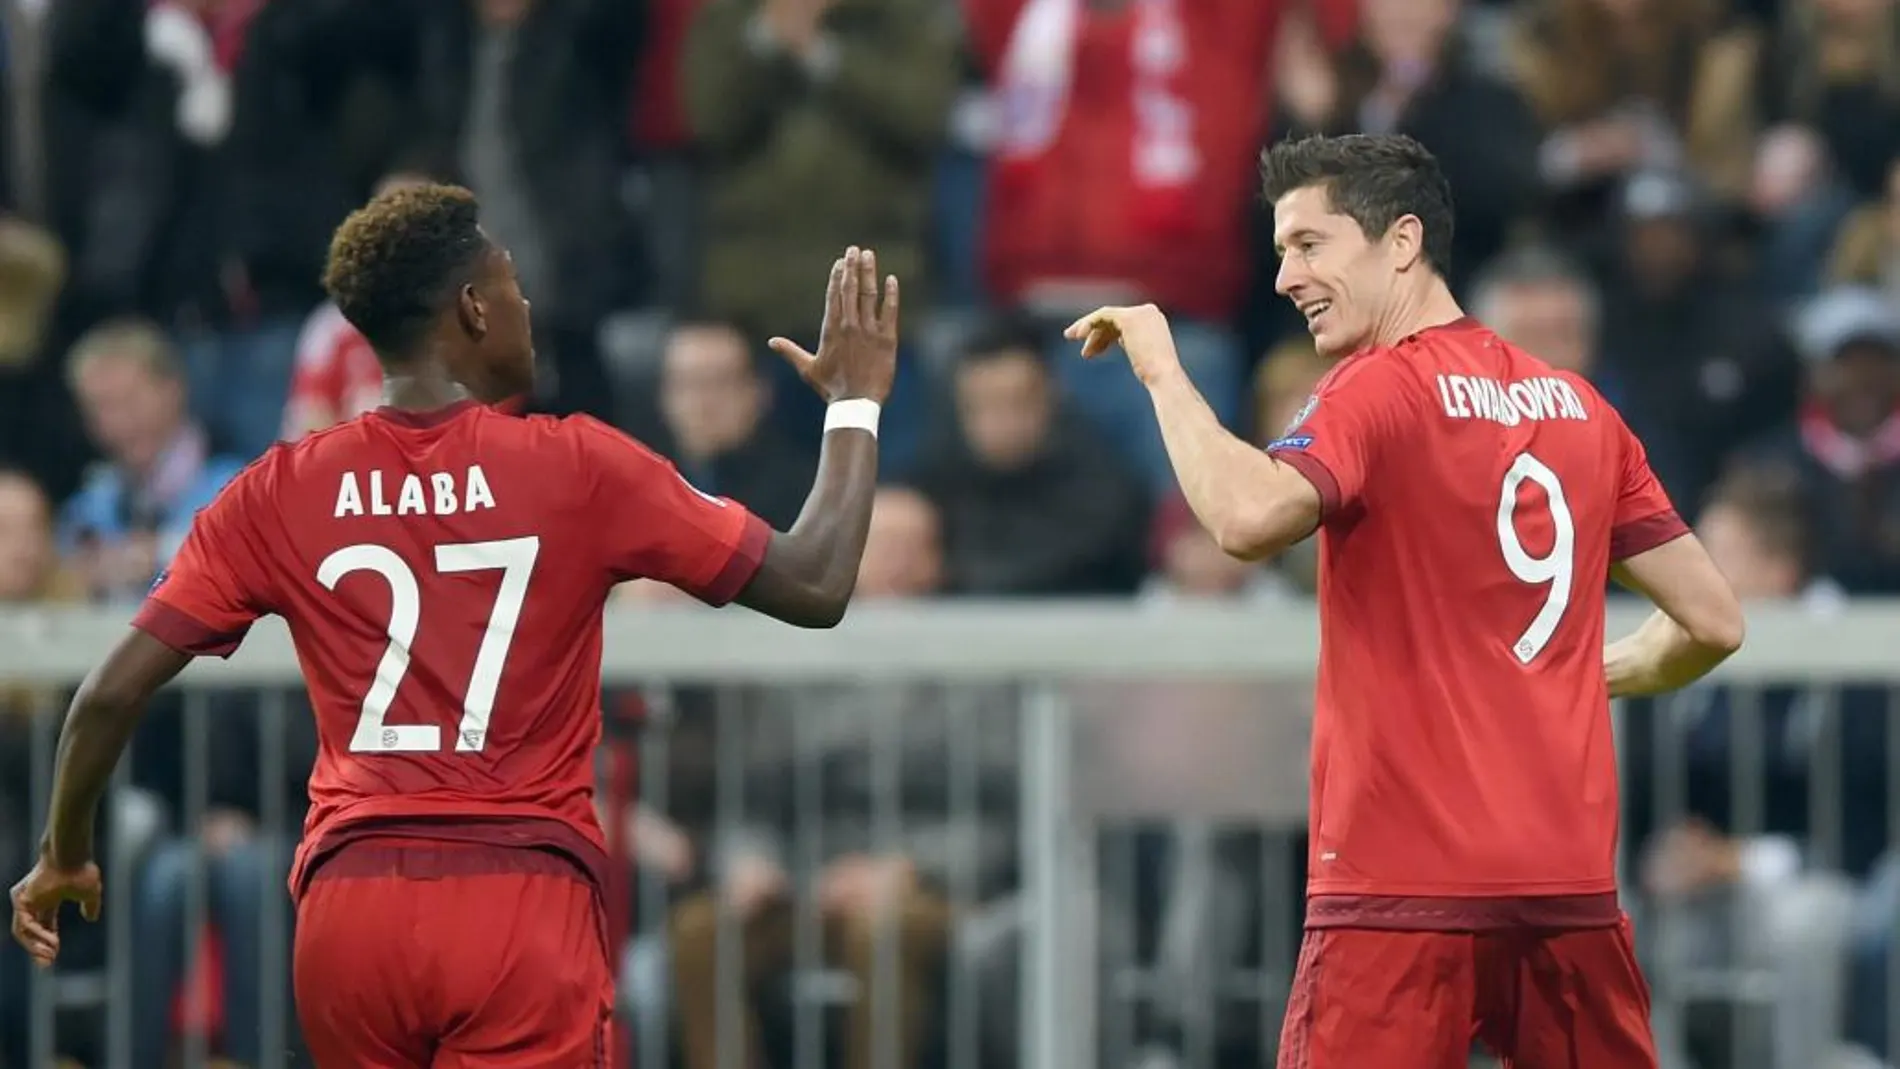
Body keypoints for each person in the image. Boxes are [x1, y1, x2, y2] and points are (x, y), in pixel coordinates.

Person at [7, 183, 900, 1067]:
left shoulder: (277, 489)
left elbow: (107, 693)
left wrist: (64, 853)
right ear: (473, 308)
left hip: (351, 907)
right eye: (511, 285)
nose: (525, 310)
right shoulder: (578, 464)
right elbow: (815, 581)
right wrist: (853, 403)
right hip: (517, 891)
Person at [1065, 133, 1746, 1069]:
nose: (1284, 278)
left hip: (1397, 894)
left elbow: (1249, 516)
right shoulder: (1583, 410)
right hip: (1567, 892)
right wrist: (1585, 678)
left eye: (1309, 245)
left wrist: (1160, 370)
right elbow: (1714, 621)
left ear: (1400, 241)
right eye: (1277, 253)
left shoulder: (1378, 389)